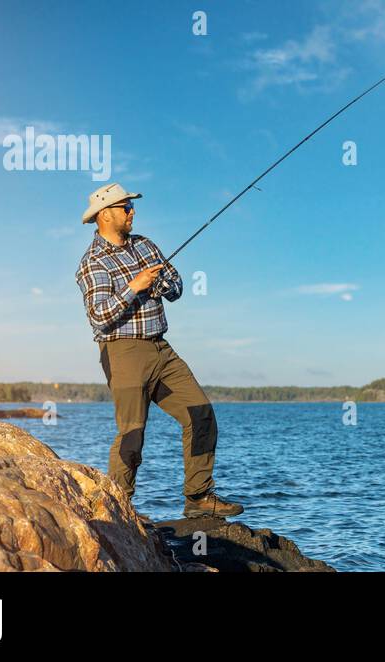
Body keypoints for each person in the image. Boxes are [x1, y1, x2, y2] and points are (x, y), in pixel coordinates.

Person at [75, 183, 242, 519]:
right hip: (122, 352)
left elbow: (177, 288)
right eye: (126, 207)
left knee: (201, 415)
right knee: (132, 433)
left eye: (131, 207)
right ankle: (117, 510)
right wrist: (133, 287)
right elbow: (99, 314)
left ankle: (198, 498)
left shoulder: (146, 245)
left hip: (161, 350)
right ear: (105, 215)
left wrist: (157, 283)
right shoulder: (91, 263)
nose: (132, 212)